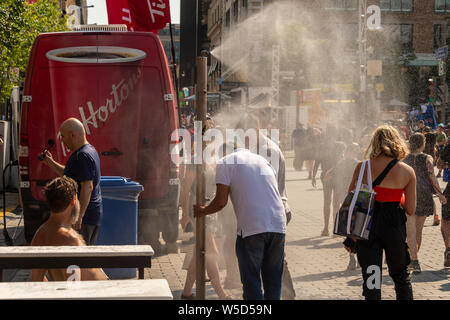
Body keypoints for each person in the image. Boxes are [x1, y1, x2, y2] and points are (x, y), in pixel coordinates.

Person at [194, 144, 286, 300]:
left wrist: (202, 211)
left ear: (223, 153)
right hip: (278, 224)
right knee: (273, 281)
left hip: (252, 228)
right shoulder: (262, 160)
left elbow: (220, 202)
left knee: (252, 282)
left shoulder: (225, 162)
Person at [344, 125, 415, 300]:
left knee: (372, 278)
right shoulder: (407, 171)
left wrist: (351, 235)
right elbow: (411, 209)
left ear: (374, 143)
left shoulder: (362, 167)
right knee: (400, 276)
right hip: (393, 225)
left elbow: (351, 200)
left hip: (368, 225)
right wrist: (396, 196)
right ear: (397, 142)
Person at [31, 177, 108, 281]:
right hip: (98, 293)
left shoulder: (40, 233)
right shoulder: (68, 238)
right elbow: (73, 286)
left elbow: (36, 279)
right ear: (73, 200)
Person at [43, 118, 102, 245]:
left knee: (81, 261)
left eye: (63, 136)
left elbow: (88, 186)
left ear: (72, 135)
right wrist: (51, 163)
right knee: (83, 259)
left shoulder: (83, 156)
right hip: (90, 216)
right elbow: (71, 175)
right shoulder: (88, 150)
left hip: (85, 219)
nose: (62, 140)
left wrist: (79, 216)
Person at [403, 133, 447, 273]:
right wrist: (440, 194)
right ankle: (413, 259)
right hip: (423, 195)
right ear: (422, 144)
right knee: (418, 230)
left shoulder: (404, 159)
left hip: (408, 194)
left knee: (410, 230)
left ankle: (413, 260)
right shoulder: (427, 158)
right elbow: (432, 178)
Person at [312, 125, 341, 236]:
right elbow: (341, 161)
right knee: (335, 204)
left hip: (327, 177)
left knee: (328, 203)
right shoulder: (339, 145)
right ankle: (334, 228)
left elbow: (316, 162)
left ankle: (326, 228)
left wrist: (314, 176)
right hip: (336, 177)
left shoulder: (322, 146)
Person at [435, 143, 450, 267]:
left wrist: (446, 165)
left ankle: (448, 249)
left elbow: (438, 165)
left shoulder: (448, 147)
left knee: (445, 219)